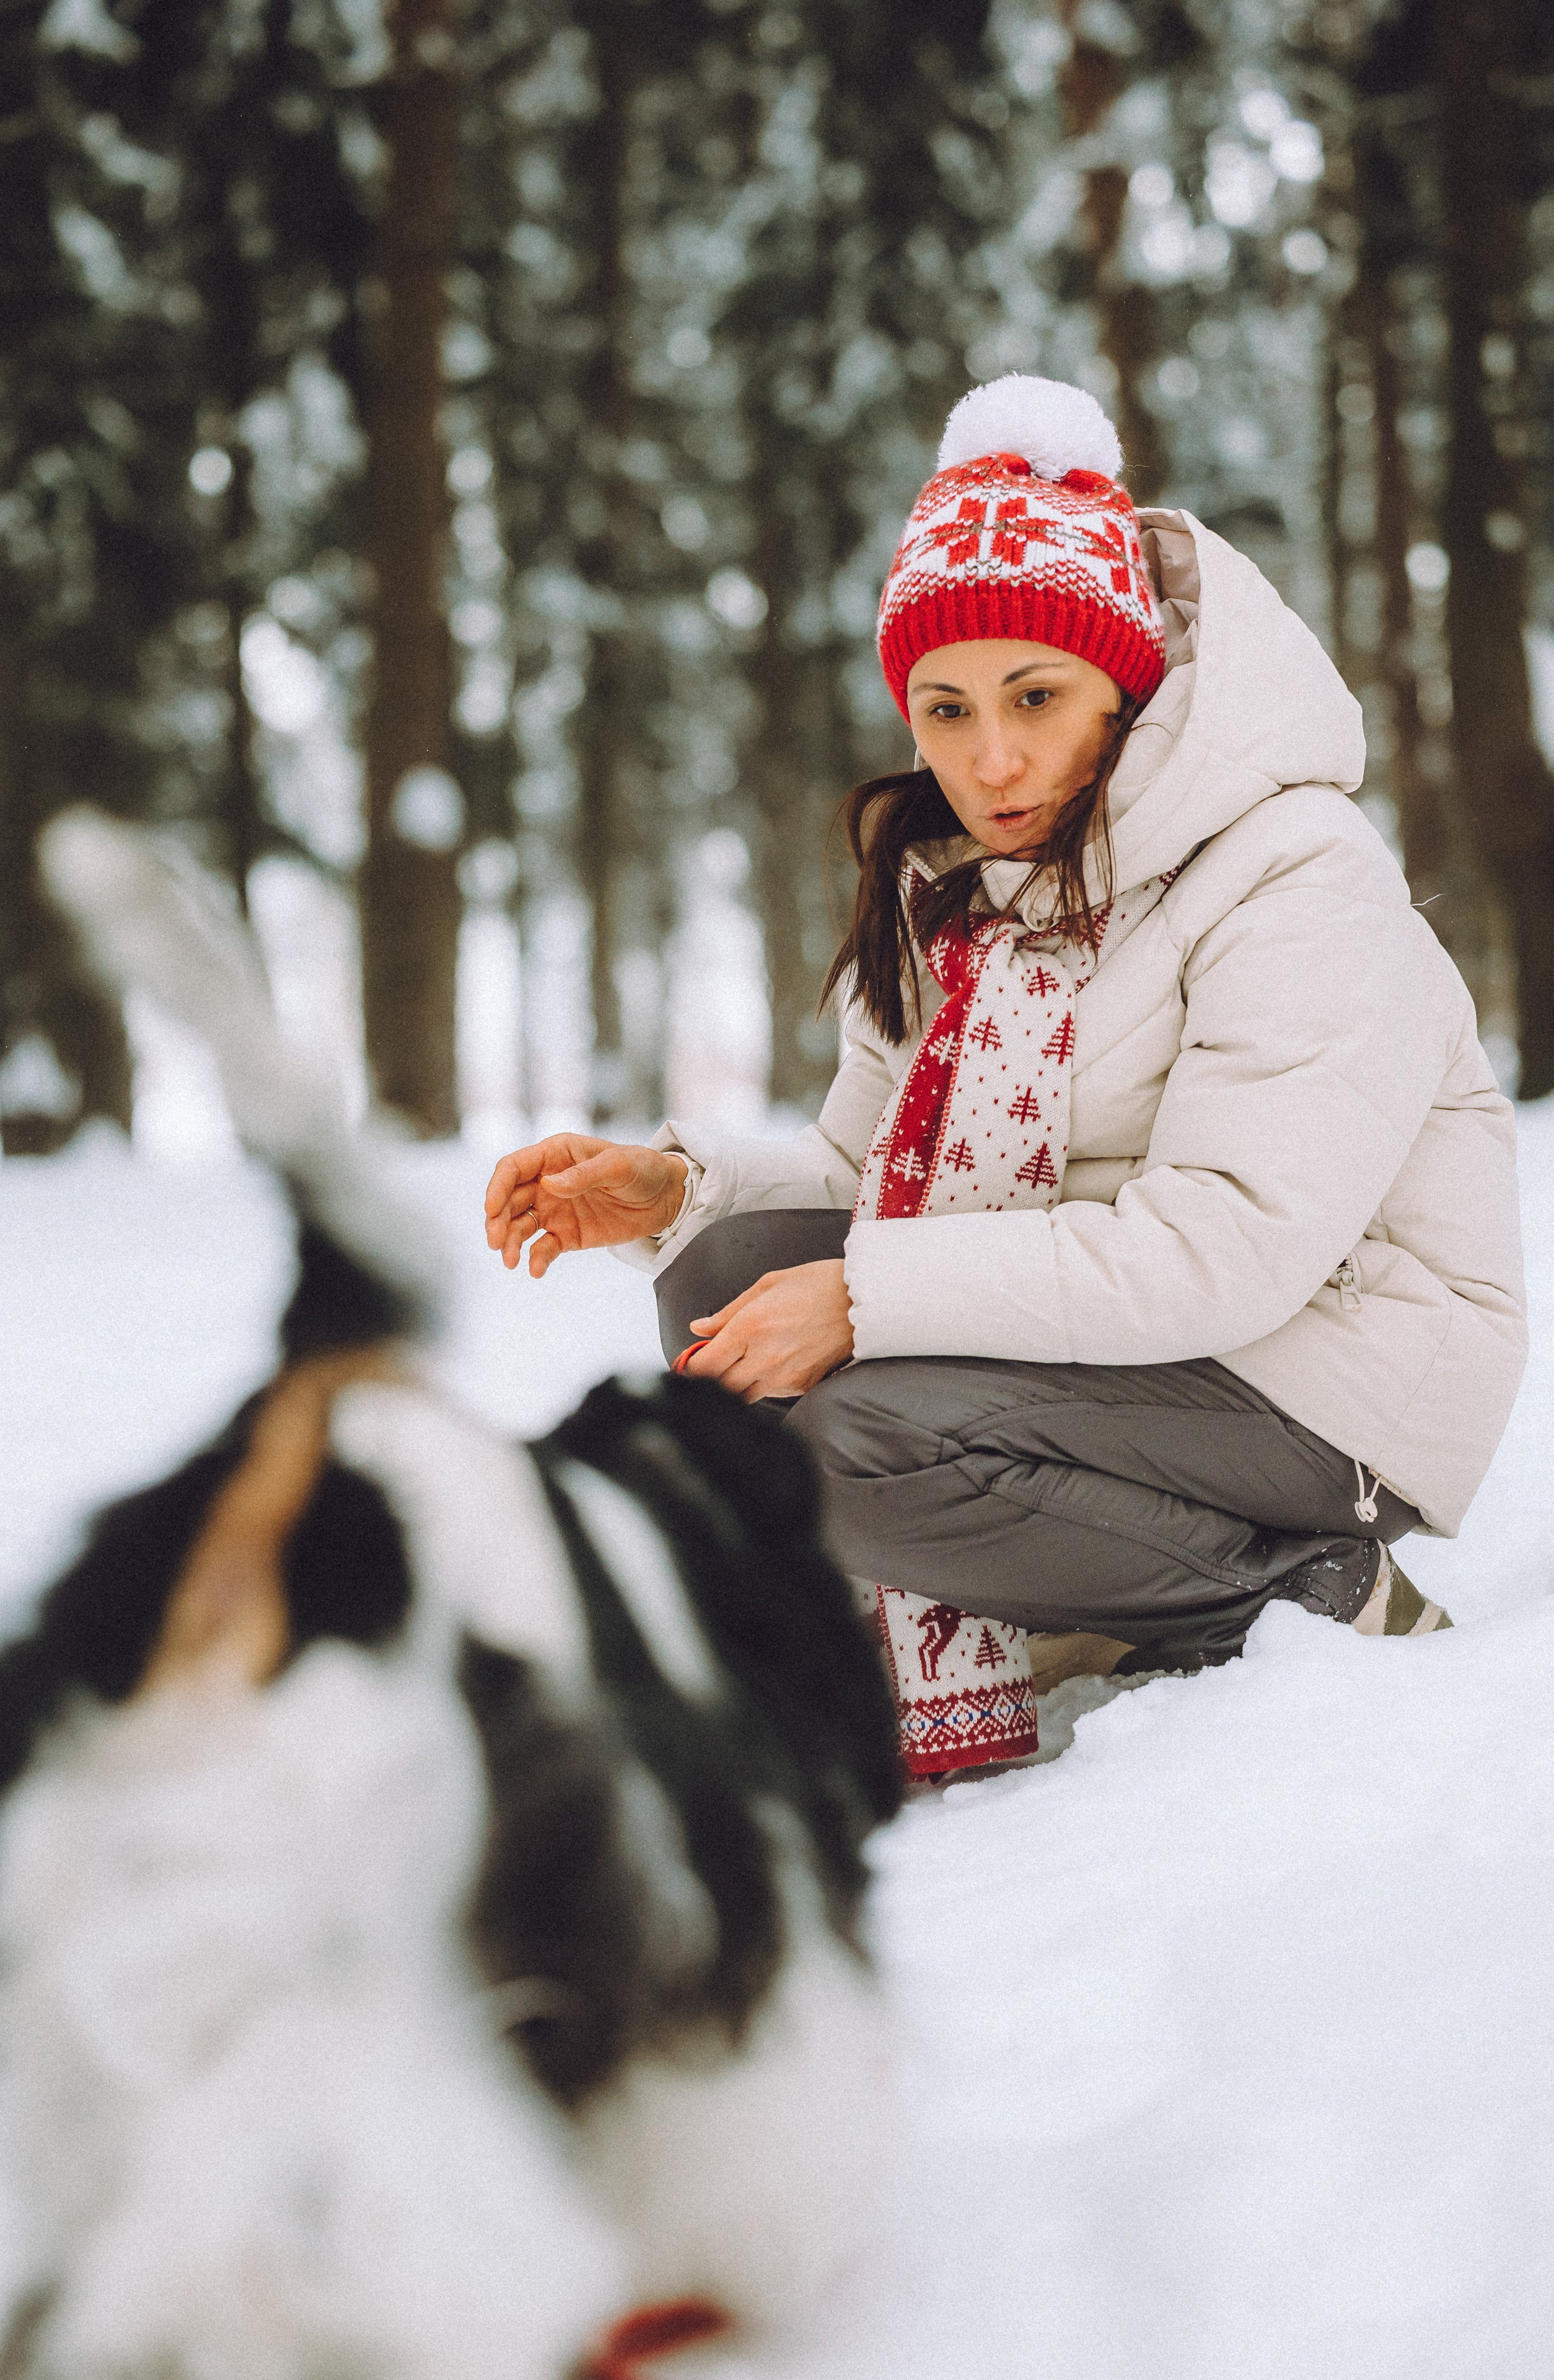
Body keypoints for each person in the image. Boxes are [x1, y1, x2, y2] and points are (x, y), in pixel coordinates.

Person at [485, 373, 1527, 1771]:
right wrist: (679, 1192)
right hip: (1141, 1358)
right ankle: (1078, 1567)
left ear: (1124, 678)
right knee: (725, 1274)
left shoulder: (1293, 873)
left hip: (1328, 1375)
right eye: (945, 708)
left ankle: (1294, 1591)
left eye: (1036, 696)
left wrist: (864, 1299)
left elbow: (1226, 1247)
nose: (991, 759)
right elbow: (865, 1174)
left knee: (848, 1441)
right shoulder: (956, 888)